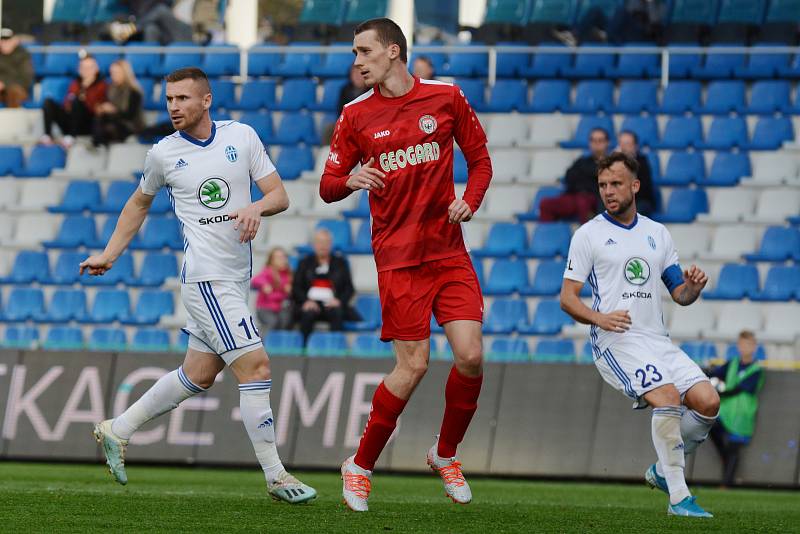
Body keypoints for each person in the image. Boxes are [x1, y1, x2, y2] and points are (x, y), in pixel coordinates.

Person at [81, 67, 316, 503]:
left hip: (234, 278)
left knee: (199, 374)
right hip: (207, 279)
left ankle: (118, 428)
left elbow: (279, 195)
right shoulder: (163, 155)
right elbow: (138, 203)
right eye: (169, 99)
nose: (174, 106)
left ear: (206, 100)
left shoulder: (241, 137)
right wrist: (110, 254)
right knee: (257, 367)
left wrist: (255, 208)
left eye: (183, 98)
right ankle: (277, 476)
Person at [319, 18, 492, 512]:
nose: (357, 61)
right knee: (413, 366)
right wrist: (351, 180)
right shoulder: (354, 116)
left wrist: (469, 200)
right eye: (355, 52)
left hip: (448, 252)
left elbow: (480, 161)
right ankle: (360, 465)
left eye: (364, 51)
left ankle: (445, 454)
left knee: (471, 356)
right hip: (398, 259)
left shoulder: (446, 96)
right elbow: (327, 185)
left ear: (393, 51)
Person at [560, 152, 719, 518]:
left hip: (657, 341)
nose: (608, 192)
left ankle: (663, 471)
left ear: (635, 186)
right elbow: (568, 299)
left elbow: (679, 293)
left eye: (616, 184)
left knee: (708, 402)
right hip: (616, 341)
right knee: (666, 397)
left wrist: (692, 289)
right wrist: (600, 318)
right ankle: (680, 498)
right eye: (602, 185)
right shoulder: (589, 235)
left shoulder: (657, 234)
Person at [708, 330, 765, 487]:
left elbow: (738, 389)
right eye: (742, 344)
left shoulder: (756, 370)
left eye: (748, 344)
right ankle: (726, 465)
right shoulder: (732, 363)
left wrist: (720, 391)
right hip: (726, 413)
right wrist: (711, 377)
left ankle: (726, 484)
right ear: (738, 346)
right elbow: (714, 373)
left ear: (754, 347)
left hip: (742, 416)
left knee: (734, 449)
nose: (745, 348)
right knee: (711, 427)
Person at [291, 228, 357, 345]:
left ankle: (334, 348)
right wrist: (306, 301)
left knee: (337, 313)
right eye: (320, 242)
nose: (323, 246)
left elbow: (349, 289)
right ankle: (303, 350)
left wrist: (338, 301)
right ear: (314, 245)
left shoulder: (340, 263)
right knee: (307, 315)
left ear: (331, 244)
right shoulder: (304, 262)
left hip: (332, 305)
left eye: (326, 243)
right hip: (310, 304)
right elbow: (296, 287)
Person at [539, 127, 608, 223]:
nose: (596, 144)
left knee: (583, 202)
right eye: (593, 140)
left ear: (607, 143)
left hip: (594, 200)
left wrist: (586, 175)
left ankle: (587, 236)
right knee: (545, 204)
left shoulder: (610, 163)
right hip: (574, 197)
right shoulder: (581, 161)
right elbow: (569, 177)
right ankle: (548, 235)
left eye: (600, 140)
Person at [42, 54, 108, 147]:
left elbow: (95, 107)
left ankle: (71, 137)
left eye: (89, 67)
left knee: (78, 102)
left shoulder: (102, 85)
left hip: (87, 122)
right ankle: (47, 136)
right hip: (71, 119)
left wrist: (82, 96)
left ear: (96, 69)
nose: (86, 70)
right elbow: (67, 101)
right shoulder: (75, 84)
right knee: (48, 102)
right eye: (83, 67)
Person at [92, 59, 145, 146]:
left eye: (116, 72)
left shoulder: (134, 92)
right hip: (115, 121)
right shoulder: (111, 89)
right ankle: (97, 145)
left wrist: (113, 110)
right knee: (99, 120)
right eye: (112, 72)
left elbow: (129, 116)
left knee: (111, 126)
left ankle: (99, 146)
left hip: (131, 125)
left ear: (125, 73)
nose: (113, 75)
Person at [251, 247, 293, 333]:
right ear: (271, 260)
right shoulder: (268, 271)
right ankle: (262, 341)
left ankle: (279, 343)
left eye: (284, 257)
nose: (282, 260)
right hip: (265, 308)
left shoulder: (288, 274)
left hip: (279, 308)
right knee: (272, 322)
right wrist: (264, 284)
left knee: (285, 321)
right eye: (278, 258)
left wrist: (289, 290)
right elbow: (256, 280)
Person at [616, 130, 657, 217]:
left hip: (639, 200)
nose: (623, 148)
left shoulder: (642, 162)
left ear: (635, 146)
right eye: (621, 144)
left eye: (627, 144)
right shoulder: (614, 163)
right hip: (619, 200)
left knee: (634, 210)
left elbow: (644, 189)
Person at [0, 28, 34, 108]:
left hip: (18, 90)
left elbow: (26, 79)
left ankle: (13, 119)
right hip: (2, 91)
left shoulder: (23, 55)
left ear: (14, 41)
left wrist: (4, 83)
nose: (4, 43)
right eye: (2, 40)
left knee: (14, 92)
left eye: (7, 40)